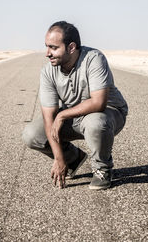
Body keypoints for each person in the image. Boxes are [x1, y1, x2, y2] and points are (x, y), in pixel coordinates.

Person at [22, 21, 128, 190]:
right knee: (32, 134)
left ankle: (102, 169)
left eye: (53, 47)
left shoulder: (94, 59)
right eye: (46, 47)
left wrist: (62, 115)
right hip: (76, 115)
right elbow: (49, 118)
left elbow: (98, 103)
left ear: (71, 47)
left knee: (96, 122)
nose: (47, 53)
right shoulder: (48, 71)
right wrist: (59, 158)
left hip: (109, 113)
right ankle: (73, 158)